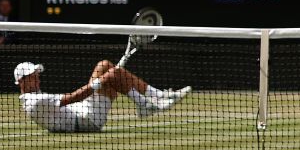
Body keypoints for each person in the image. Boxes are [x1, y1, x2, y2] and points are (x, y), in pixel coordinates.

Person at [13, 61, 189, 133]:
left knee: (106, 67)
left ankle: (157, 95)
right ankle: (147, 102)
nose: (36, 78)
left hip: (83, 111)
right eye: (31, 76)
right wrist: (99, 82)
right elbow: (72, 98)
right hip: (87, 120)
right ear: (21, 81)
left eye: (36, 75)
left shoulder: (36, 97)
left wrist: (103, 80)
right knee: (112, 73)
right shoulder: (34, 102)